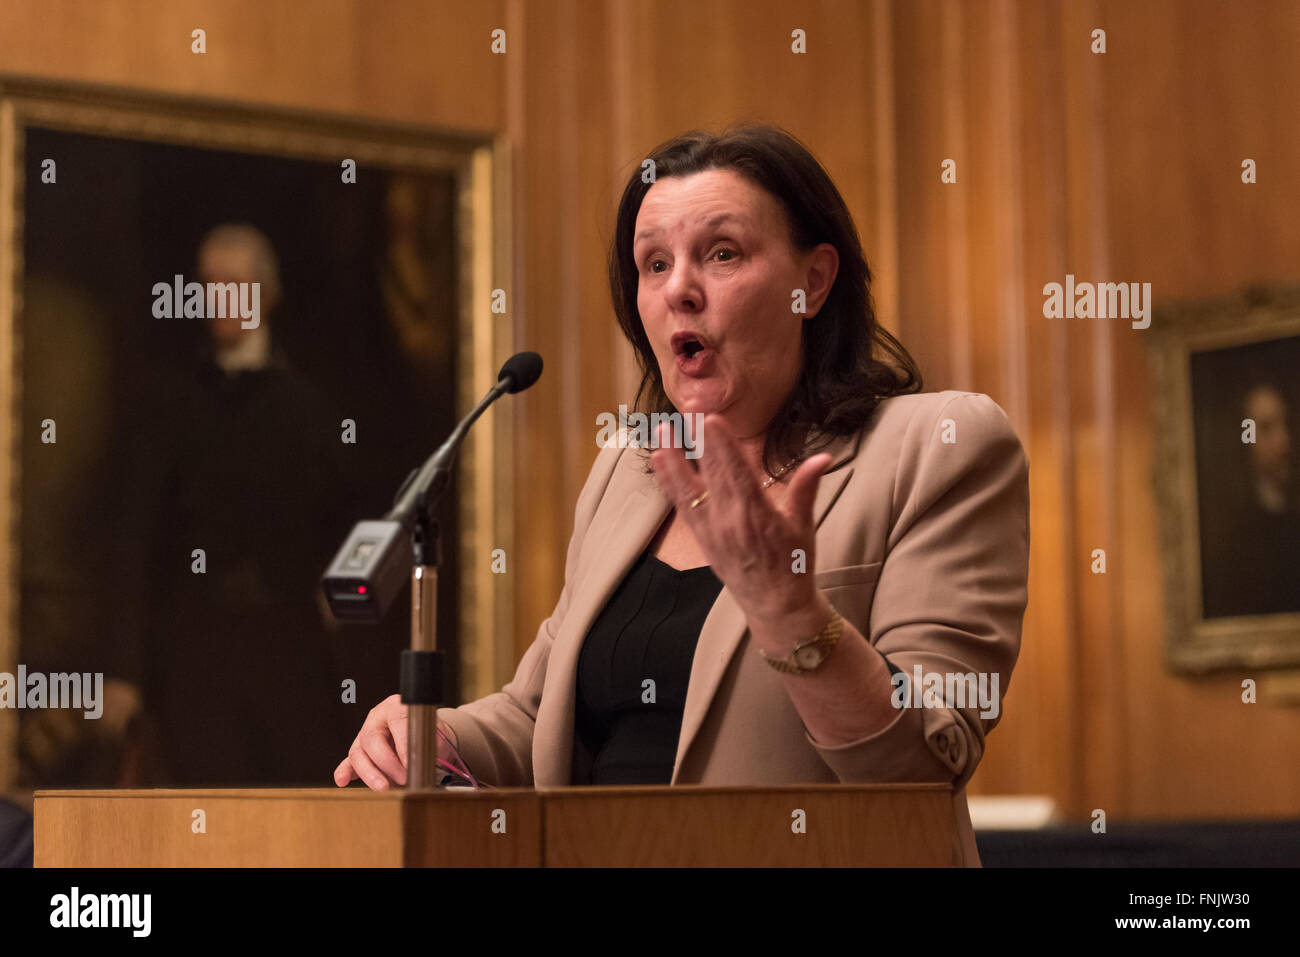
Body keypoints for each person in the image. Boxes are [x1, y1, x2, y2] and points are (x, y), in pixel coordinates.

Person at [335, 124, 1030, 866]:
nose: (678, 290)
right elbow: (537, 714)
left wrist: (791, 612)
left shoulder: (937, 449)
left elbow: (928, 760)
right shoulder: (628, 472)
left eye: (722, 253)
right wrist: (431, 734)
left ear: (815, 282)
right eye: (654, 263)